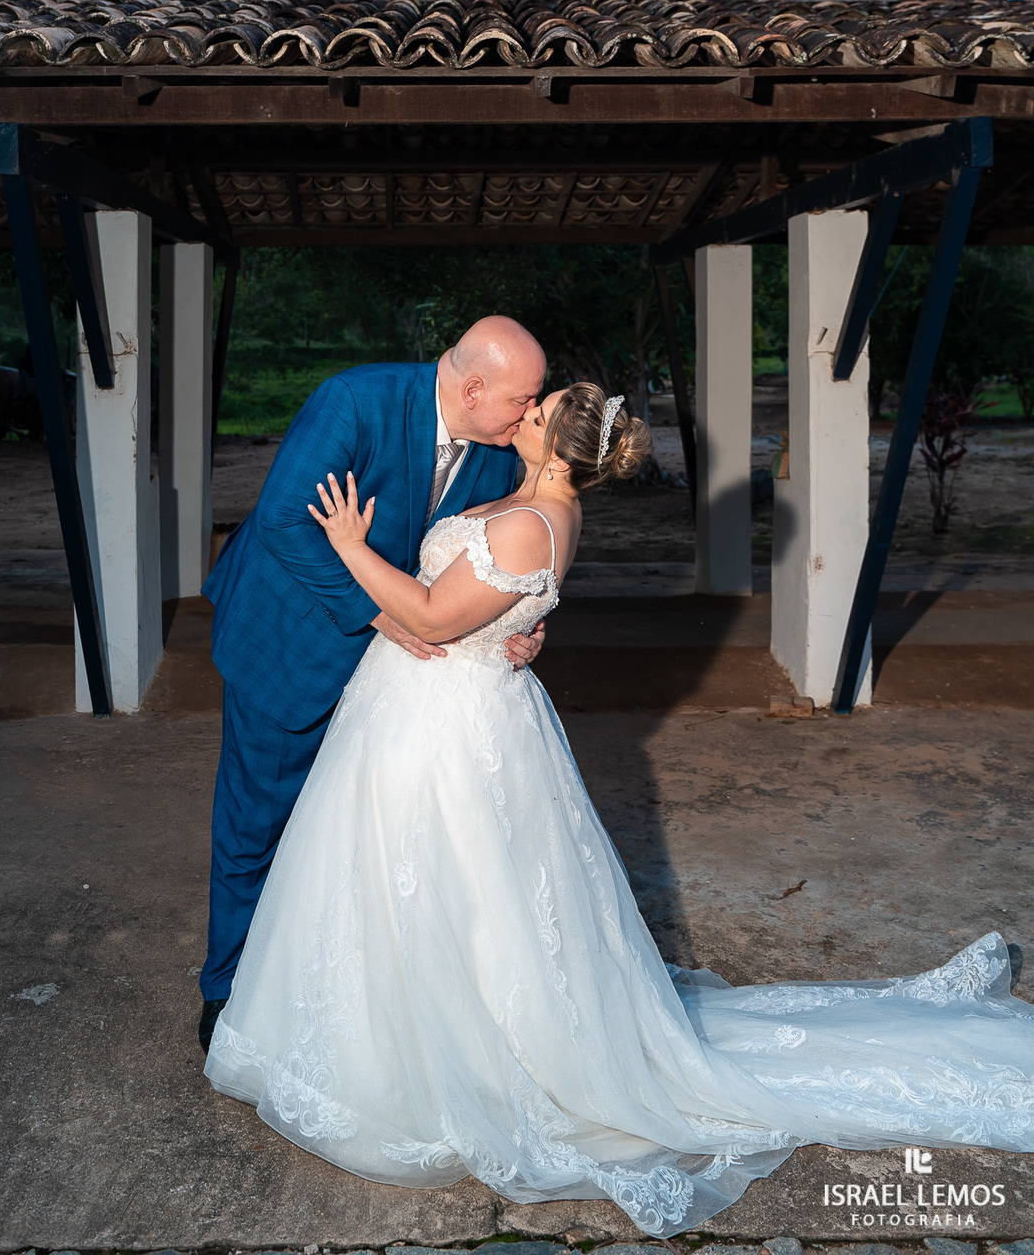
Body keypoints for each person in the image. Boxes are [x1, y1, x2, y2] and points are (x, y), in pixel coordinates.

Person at [204, 382, 1034, 1236]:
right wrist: (526, 623)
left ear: (559, 448)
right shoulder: (538, 502)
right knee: (435, 889)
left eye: (539, 408)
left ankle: (441, 1063)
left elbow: (426, 614)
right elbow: (507, 599)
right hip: (440, 710)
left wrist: (347, 542)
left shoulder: (533, 518)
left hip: (444, 728)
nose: (523, 411)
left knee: (435, 886)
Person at [197, 316, 548, 1052]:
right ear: (474, 386)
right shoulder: (355, 401)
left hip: (396, 680)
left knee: (353, 839)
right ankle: (226, 990)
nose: (528, 414)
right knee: (255, 828)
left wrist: (512, 622)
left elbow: (489, 562)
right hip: (288, 639)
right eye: (522, 398)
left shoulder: (494, 450)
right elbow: (286, 520)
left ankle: (323, 993)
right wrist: (376, 614)